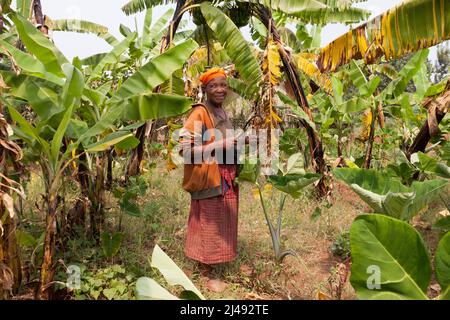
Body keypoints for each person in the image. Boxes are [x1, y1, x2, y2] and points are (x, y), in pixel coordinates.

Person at [179, 67, 244, 277]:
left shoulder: (223, 112)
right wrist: (224, 144)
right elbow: (186, 151)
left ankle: (220, 261)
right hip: (209, 177)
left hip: (226, 176)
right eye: (214, 85)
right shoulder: (199, 112)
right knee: (209, 221)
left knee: (225, 220)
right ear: (205, 89)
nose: (220, 90)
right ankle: (206, 271)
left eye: (223, 85)